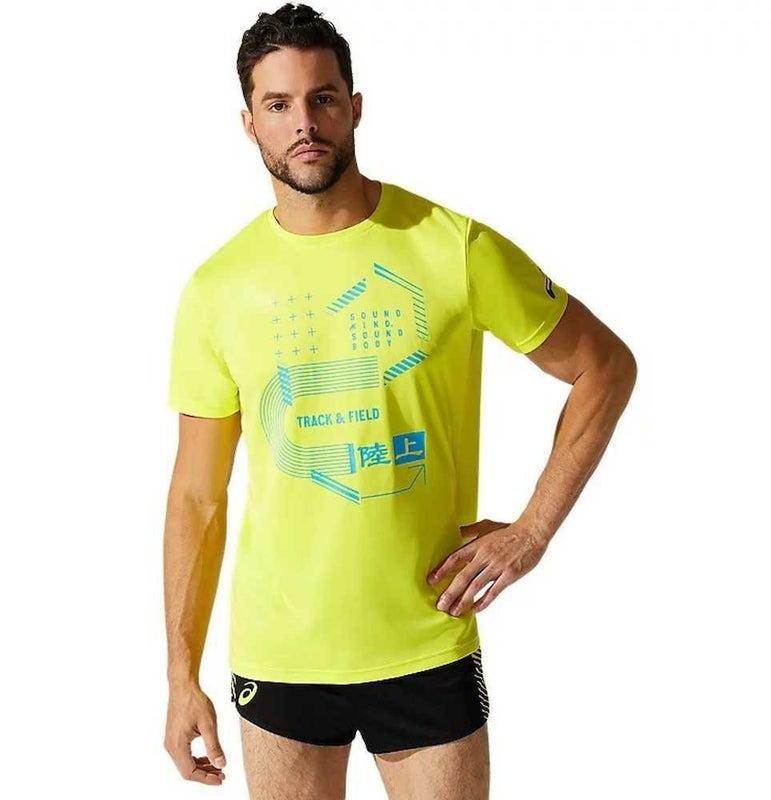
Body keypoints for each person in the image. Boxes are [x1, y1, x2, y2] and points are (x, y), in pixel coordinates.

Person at [162, 4, 637, 799]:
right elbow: (196, 496)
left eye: (322, 97)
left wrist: (533, 531)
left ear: (355, 107)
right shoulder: (218, 289)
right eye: (278, 104)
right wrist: (181, 677)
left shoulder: (452, 246)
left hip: (426, 639)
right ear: (249, 124)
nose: (304, 122)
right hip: (282, 654)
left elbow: (605, 367)